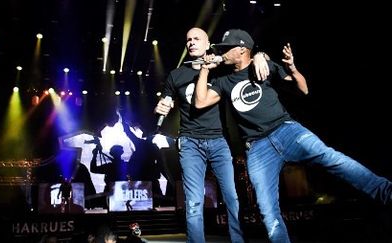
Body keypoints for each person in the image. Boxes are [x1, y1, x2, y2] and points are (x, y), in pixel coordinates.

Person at [194, 28, 392, 243]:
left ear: (242, 49)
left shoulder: (265, 65)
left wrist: (292, 68)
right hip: (258, 148)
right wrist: (205, 69)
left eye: (226, 49)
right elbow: (200, 102)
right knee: (267, 208)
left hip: (287, 130)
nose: (222, 53)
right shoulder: (224, 81)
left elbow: (303, 90)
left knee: (330, 157)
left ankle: (386, 192)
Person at [154, 27, 269, 243]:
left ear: (208, 44)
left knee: (232, 197)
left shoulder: (221, 71)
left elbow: (244, 58)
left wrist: (261, 56)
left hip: (219, 140)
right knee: (194, 201)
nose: (191, 42)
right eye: (188, 39)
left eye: (197, 39)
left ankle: (238, 240)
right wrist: (160, 107)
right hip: (189, 142)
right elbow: (165, 103)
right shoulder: (176, 75)